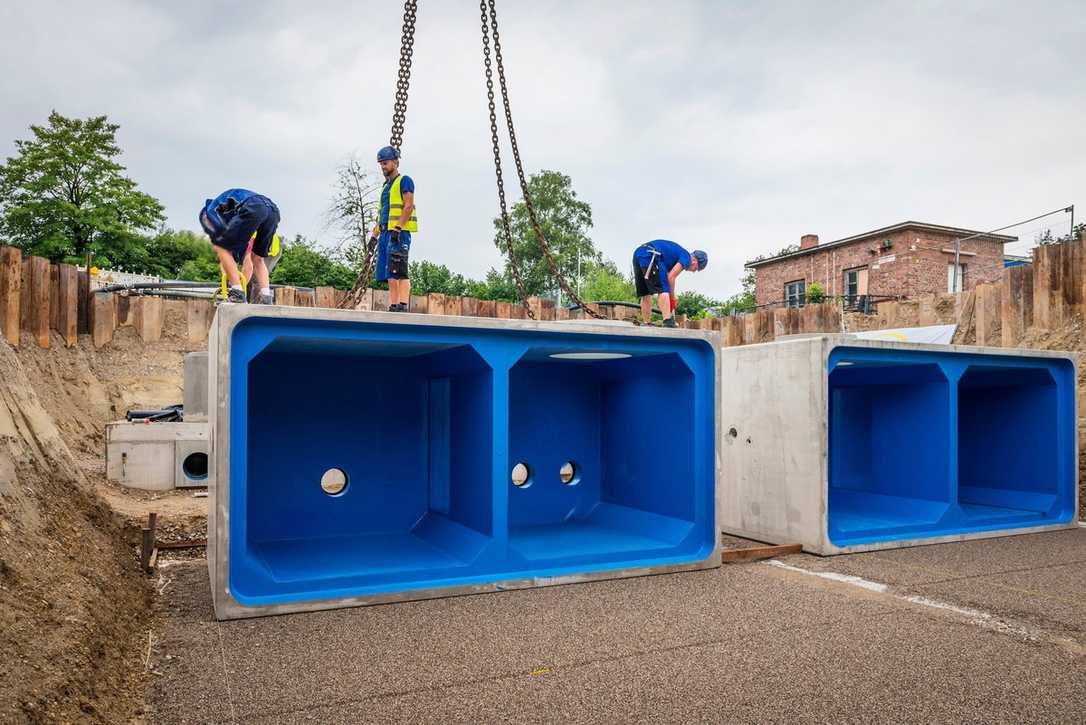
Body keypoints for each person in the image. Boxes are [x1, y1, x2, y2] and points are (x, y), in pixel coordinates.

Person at [199, 189, 281, 304]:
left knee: (221, 248)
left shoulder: (211, 214)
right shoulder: (232, 213)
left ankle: (237, 293)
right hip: (272, 210)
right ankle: (266, 297)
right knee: (258, 259)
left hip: (254, 206)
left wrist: (233, 284)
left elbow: (240, 261)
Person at [368, 146, 417, 311]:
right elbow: (381, 214)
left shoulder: (404, 181)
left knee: (399, 267)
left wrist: (398, 228)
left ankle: (402, 304)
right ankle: (393, 304)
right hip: (385, 232)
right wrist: (374, 236)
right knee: (389, 271)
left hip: (399, 232)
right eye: (381, 164)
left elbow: (408, 206)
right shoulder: (385, 188)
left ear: (395, 162)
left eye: (385, 163)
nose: (383, 166)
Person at [632, 240, 707, 327]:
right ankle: (667, 321)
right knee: (663, 289)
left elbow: (667, 275)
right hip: (652, 255)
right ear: (694, 261)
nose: (693, 271)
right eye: (696, 269)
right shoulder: (686, 257)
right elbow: (671, 277)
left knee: (646, 293)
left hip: (639, 253)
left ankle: (646, 322)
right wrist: (672, 298)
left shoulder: (677, 254)